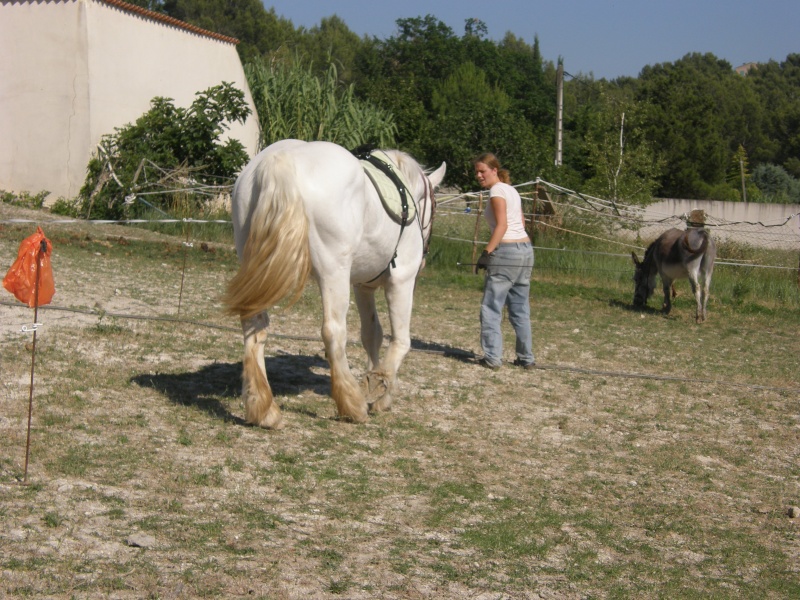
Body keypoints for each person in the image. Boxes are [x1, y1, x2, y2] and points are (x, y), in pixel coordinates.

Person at [473, 153, 535, 370]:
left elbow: (502, 225)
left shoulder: (497, 191)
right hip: (525, 250)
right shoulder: (511, 190)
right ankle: (526, 358)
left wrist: (487, 252)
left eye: (482, 171)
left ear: (494, 170)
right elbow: (521, 221)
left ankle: (492, 358)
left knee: (491, 306)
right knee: (520, 307)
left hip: (507, 251)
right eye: (477, 172)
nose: (479, 175)